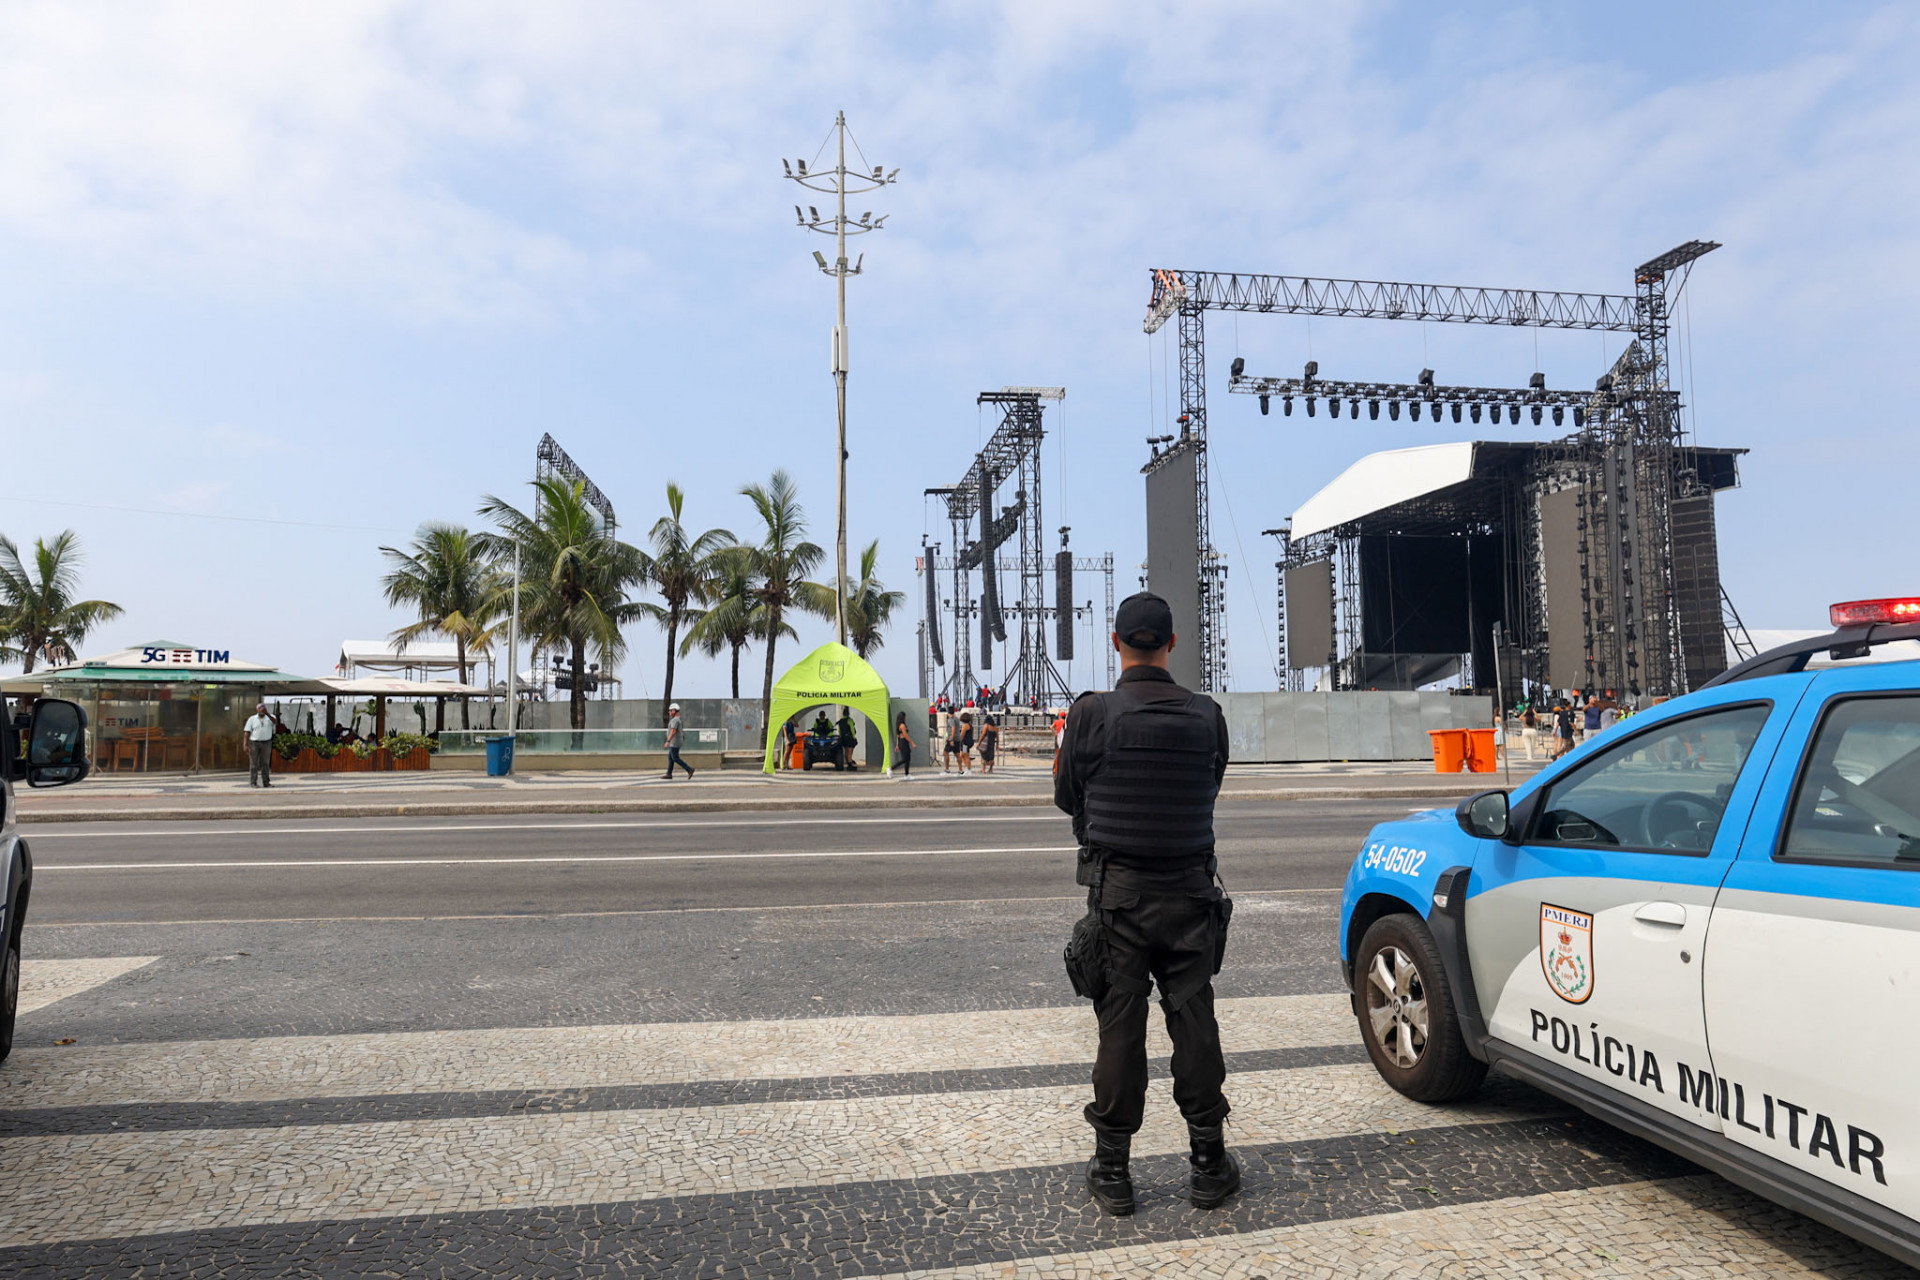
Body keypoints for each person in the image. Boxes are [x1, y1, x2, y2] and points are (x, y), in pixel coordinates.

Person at [1054, 591, 1237, 1216]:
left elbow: (1065, 795)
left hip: (1120, 900)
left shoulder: (1092, 715)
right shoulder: (1205, 715)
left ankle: (1113, 1171)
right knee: (1195, 1024)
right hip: (1191, 895)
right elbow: (1210, 784)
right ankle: (1209, 1163)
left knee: (1120, 1031)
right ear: (1172, 644)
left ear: (1115, 643)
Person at [243, 702, 277, 788]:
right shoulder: (252, 719)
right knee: (254, 764)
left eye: (263, 708)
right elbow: (247, 732)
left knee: (265, 763)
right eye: (260, 708)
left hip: (266, 743)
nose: (262, 710)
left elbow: (275, 722)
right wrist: (245, 744)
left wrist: (267, 714)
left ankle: (266, 782)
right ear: (257, 709)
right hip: (254, 743)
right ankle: (253, 782)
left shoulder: (270, 717)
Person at [663, 702, 695, 780]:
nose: (669, 712)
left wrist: (668, 741)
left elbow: (673, 731)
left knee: (675, 758)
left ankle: (689, 769)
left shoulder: (675, 720)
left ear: (674, 711)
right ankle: (669, 774)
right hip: (675, 742)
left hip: (674, 742)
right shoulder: (677, 720)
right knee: (671, 757)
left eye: (670, 711)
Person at [895, 712, 915, 778]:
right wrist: (912, 743)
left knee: (907, 758)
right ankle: (891, 768)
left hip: (902, 742)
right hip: (903, 742)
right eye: (905, 716)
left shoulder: (899, 725)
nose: (906, 718)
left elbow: (898, 736)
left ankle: (907, 774)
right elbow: (905, 735)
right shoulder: (902, 725)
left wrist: (897, 745)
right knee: (905, 759)